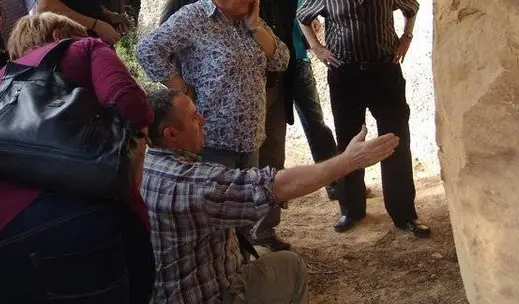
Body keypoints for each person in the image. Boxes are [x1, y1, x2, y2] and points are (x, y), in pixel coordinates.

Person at [0, 12, 154, 304]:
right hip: (57, 236)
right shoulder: (84, 47)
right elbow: (132, 108)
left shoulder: (0, 85)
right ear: (58, 37)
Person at [141, 89, 400, 304]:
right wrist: (348, 161)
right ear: (171, 134)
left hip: (167, 292)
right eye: (194, 116)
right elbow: (276, 186)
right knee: (290, 266)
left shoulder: (140, 165)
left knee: (261, 253)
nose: (203, 120)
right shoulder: (195, 184)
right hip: (213, 295)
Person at [297, 0, 429, 236]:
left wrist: (406, 37)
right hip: (346, 76)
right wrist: (317, 48)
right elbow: (303, 16)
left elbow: (412, 7)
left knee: (396, 141)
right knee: (347, 144)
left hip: (385, 72)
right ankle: (351, 209)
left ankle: (404, 214)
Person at [138, 0, 289, 170]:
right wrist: (179, 86)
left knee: (245, 204)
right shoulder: (194, 17)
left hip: (251, 141)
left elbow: (281, 61)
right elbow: (148, 50)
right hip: (211, 143)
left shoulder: (248, 19)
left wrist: (255, 27)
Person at [262, 0, 340, 200]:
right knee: (270, 132)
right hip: (266, 70)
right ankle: (271, 194)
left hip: (298, 56)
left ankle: (336, 181)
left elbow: (309, 3)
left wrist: (315, 31)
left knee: (315, 121)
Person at [251, 0, 298, 251]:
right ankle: (243, 233)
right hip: (249, 92)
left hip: (277, 88)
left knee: (273, 159)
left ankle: (265, 231)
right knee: (247, 161)